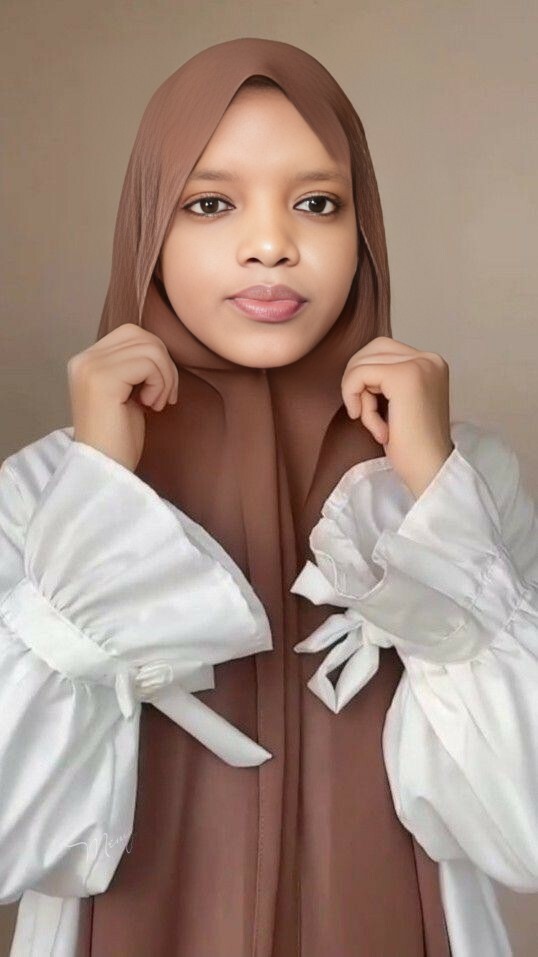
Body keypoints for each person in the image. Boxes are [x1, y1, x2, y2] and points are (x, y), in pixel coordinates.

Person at [2, 37, 537, 957]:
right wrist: (99, 496)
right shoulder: (46, 488)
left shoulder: (463, 478)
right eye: (210, 203)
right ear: (148, 230)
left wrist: (437, 497)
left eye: (317, 202)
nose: (270, 244)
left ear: (363, 230)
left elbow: (524, 827)